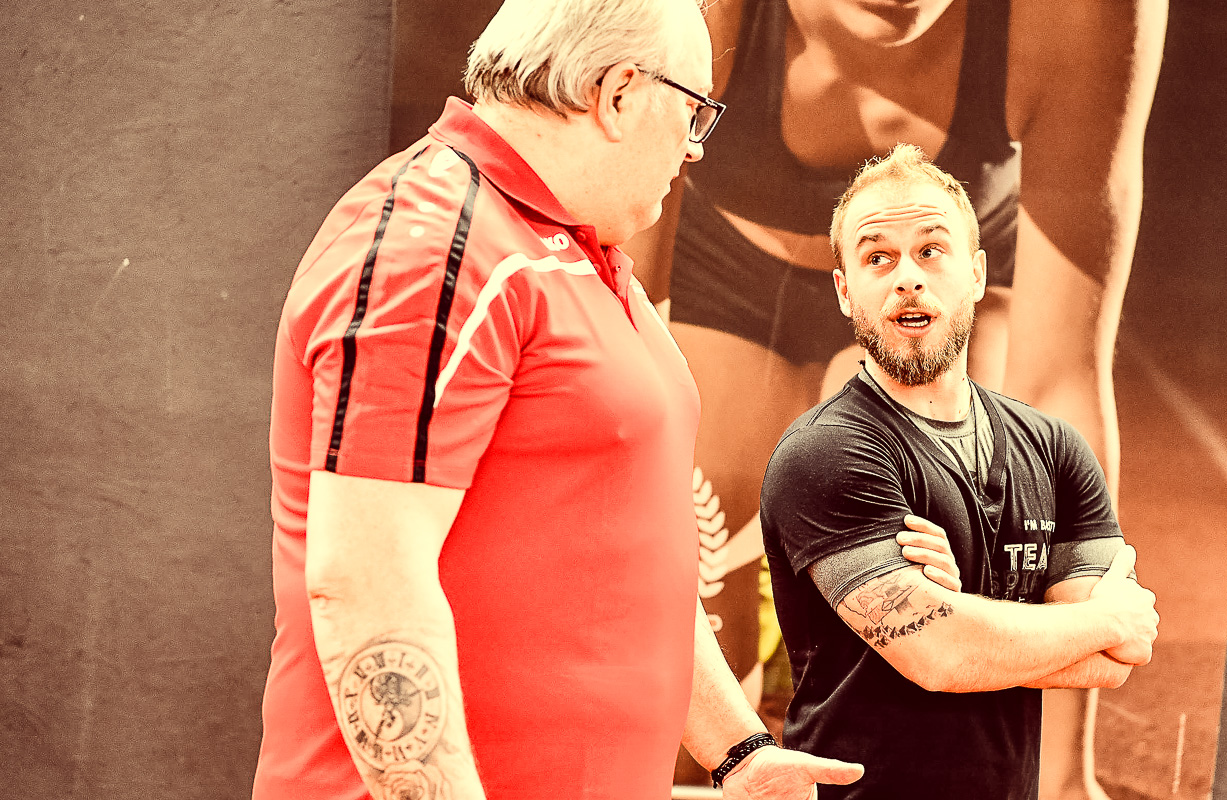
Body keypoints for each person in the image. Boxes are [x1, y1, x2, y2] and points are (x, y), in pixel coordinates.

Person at [250, 1, 865, 798]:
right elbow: (368, 584)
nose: (693, 147)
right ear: (618, 92)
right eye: (693, 113)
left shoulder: (581, 251)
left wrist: (740, 752)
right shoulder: (433, 243)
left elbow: (630, 549)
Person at [622, 1, 1167, 793]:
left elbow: (1059, 378)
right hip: (722, 272)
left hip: (939, 310)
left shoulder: (1079, 15)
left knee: (949, 589)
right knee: (693, 692)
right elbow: (619, 352)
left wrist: (1064, 778)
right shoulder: (697, 14)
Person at [757, 145, 1160, 800]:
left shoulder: (1054, 449)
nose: (907, 278)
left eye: (931, 250)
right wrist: (1106, 619)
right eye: (877, 257)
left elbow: (1112, 666)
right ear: (844, 289)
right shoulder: (826, 453)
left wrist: (962, 608)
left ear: (975, 274)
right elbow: (941, 655)